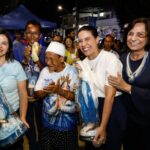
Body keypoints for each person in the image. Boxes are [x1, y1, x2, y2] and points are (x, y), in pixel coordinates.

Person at [77, 26, 126, 150]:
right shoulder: (83, 64)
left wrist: (102, 127)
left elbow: (109, 97)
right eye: (80, 41)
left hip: (111, 108)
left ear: (97, 39)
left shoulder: (110, 59)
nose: (83, 44)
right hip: (93, 109)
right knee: (92, 145)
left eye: (87, 39)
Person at [108, 18, 150, 150]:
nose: (133, 38)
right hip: (125, 122)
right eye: (130, 33)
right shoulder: (120, 59)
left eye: (140, 34)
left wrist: (127, 87)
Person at [34, 41, 79, 150]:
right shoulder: (45, 71)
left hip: (67, 127)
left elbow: (77, 98)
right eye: (46, 58)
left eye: (52, 59)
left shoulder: (72, 72)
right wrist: (47, 91)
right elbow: (36, 93)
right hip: (47, 125)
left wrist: (59, 91)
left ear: (61, 59)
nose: (48, 62)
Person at [0, 28, 29, 150]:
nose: (0, 46)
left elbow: (23, 93)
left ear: (9, 47)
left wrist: (22, 117)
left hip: (11, 120)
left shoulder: (16, 66)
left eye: (4, 43)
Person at [21, 19, 46, 150]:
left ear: (40, 35)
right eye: (29, 33)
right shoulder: (17, 49)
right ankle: (32, 145)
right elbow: (16, 73)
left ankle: (41, 145)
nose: (32, 36)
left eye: (35, 33)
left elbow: (49, 73)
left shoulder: (46, 51)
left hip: (41, 95)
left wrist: (37, 59)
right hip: (25, 96)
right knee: (28, 124)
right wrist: (25, 60)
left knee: (42, 123)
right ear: (25, 34)